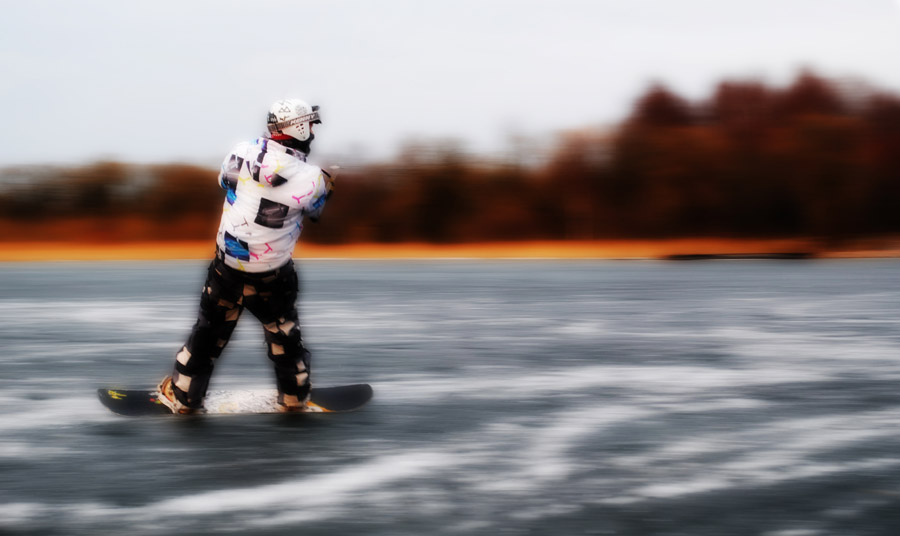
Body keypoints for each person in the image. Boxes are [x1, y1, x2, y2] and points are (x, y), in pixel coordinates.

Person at [156, 98, 335, 414]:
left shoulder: (240, 151)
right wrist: (328, 185)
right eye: (310, 126)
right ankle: (293, 398)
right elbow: (315, 211)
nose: (313, 132)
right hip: (272, 276)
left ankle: (185, 397)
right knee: (284, 336)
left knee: (207, 334)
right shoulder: (312, 179)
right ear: (300, 128)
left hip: (226, 268)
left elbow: (225, 182)